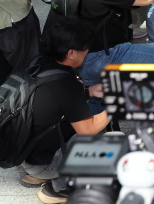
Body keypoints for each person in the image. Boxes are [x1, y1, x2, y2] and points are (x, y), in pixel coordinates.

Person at [21, 18, 108, 203]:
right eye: (85, 50)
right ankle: (58, 189)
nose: (87, 54)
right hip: (41, 162)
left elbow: (52, 98)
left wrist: (89, 91)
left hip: (23, 150)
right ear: (71, 53)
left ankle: (39, 173)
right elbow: (88, 131)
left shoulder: (38, 62)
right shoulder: (67, 84)